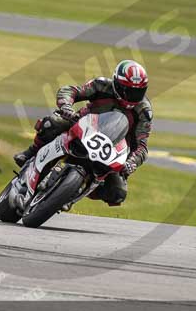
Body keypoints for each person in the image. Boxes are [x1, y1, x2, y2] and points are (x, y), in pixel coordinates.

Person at [13, 60, 152, 207]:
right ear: (117, 84)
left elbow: (142, 146)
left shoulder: (143, 110)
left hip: (111, 147)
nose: (133, 96)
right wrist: (66, 106)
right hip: (82, 125)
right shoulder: (102, 85)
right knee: (53, 123)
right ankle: (31, 152)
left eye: (138, 92)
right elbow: (70, 90)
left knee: (117, 193)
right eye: (128, 91)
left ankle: (75, 191)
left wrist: (131, 163)